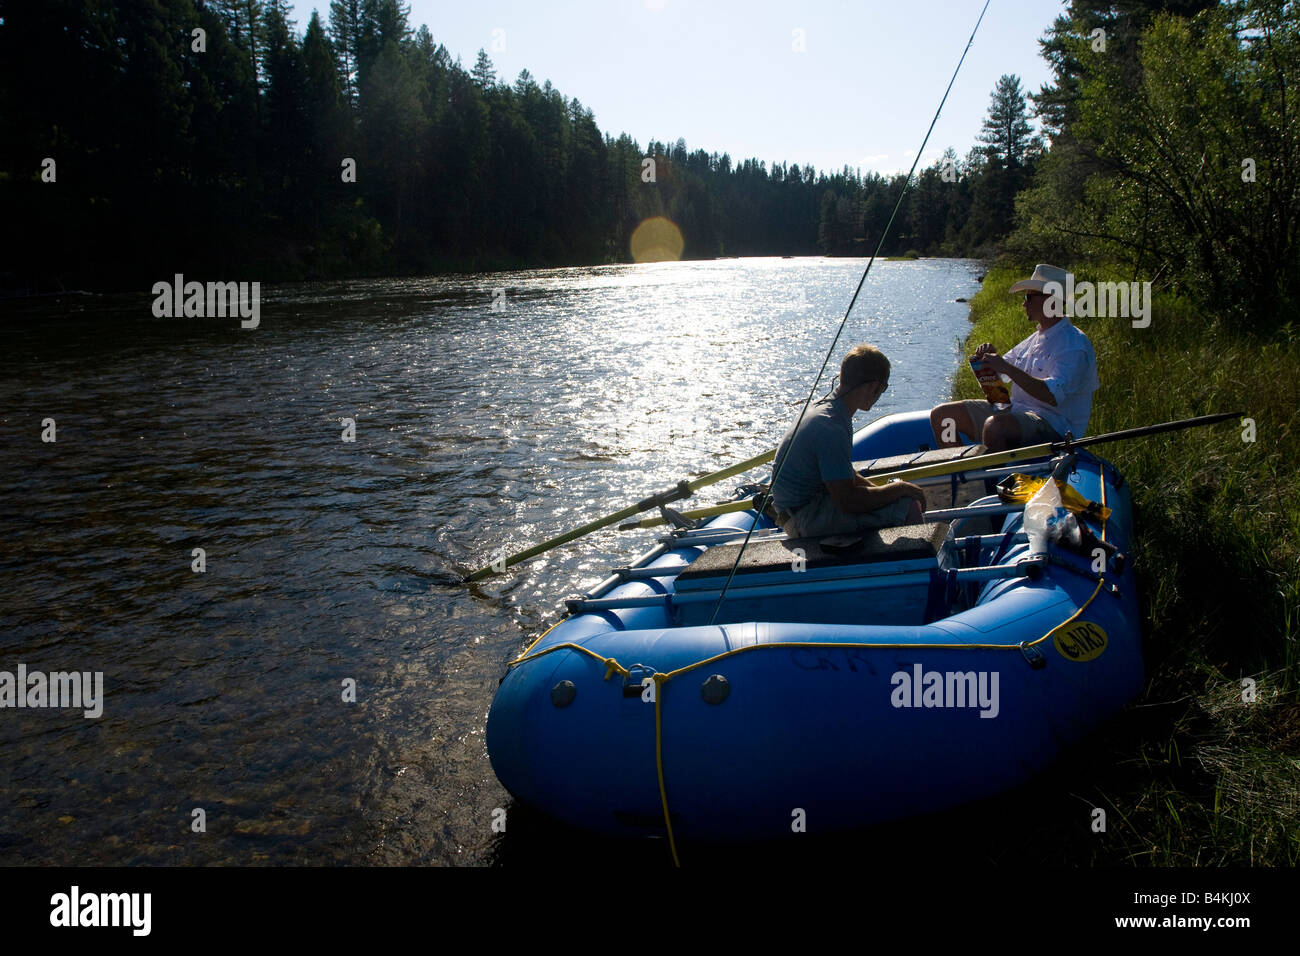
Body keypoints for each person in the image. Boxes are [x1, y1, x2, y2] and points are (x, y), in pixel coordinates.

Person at [930, 263, 1100, 451]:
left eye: (1028, 297)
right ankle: (963, 477)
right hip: (1015, 412)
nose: (1024, 303)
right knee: (943, 416)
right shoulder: (1034, 340)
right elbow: (1000, 377)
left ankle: (991, 477)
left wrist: (1006, 367)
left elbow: (1052, 396)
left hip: (1053, 426)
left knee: (996, 427)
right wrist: (989, 361)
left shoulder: (1074, 345)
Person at [771, 344, 927, 538]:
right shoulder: (831, 426)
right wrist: (899, 489)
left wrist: (885, 491)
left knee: (896, 498)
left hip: (802, 507)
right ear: (873, 386)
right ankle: (917, 564)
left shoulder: (827, 408)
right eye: (883, 388)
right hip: (805, 517)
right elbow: (848, 501)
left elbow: (845, 476)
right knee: (908, 507)